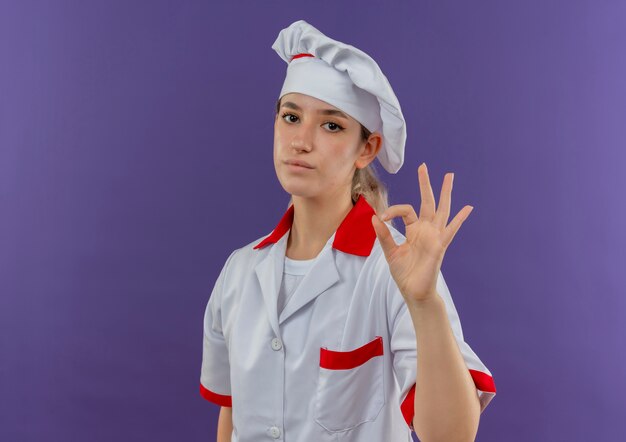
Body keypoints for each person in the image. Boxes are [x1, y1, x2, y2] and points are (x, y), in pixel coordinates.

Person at [200, 19, 496, 442]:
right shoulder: (239, 272)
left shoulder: (393, 270)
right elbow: (231, 421)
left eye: (331, 125)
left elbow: (453, 435)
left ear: (367, 148)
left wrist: (424, 302)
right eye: (290, 117)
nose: (301, 141)